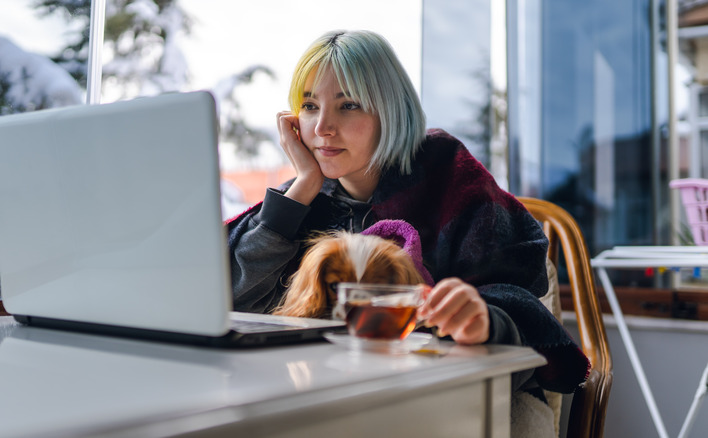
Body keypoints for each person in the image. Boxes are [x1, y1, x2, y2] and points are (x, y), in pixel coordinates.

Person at [226, 30, 588, 436]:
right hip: (332, 395)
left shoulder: (451, 179)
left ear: (391, 112)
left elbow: (522, 309)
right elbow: (226, 301)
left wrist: (484, 319)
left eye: (348, 105)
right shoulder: (306, 203)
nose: (323, 127)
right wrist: (303, 187)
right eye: (309, 106)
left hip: (467, 395)